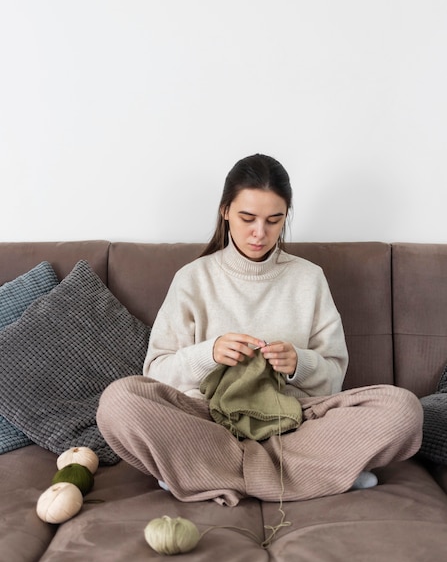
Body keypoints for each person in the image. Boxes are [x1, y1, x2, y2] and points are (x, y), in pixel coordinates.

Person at [97, 153, 423, 506]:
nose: (259, 233)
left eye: (274, 220)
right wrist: (209, 354)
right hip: (209, 420)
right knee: (118, 402)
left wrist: (299, 363)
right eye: (247, 218)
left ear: (286, 217)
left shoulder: (308, 278)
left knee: (403, 409)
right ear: (225, 211)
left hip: (294, 422)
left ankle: (195, 471)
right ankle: (318, 474)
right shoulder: (193, 279)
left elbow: (334, 379)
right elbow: (156, 374)